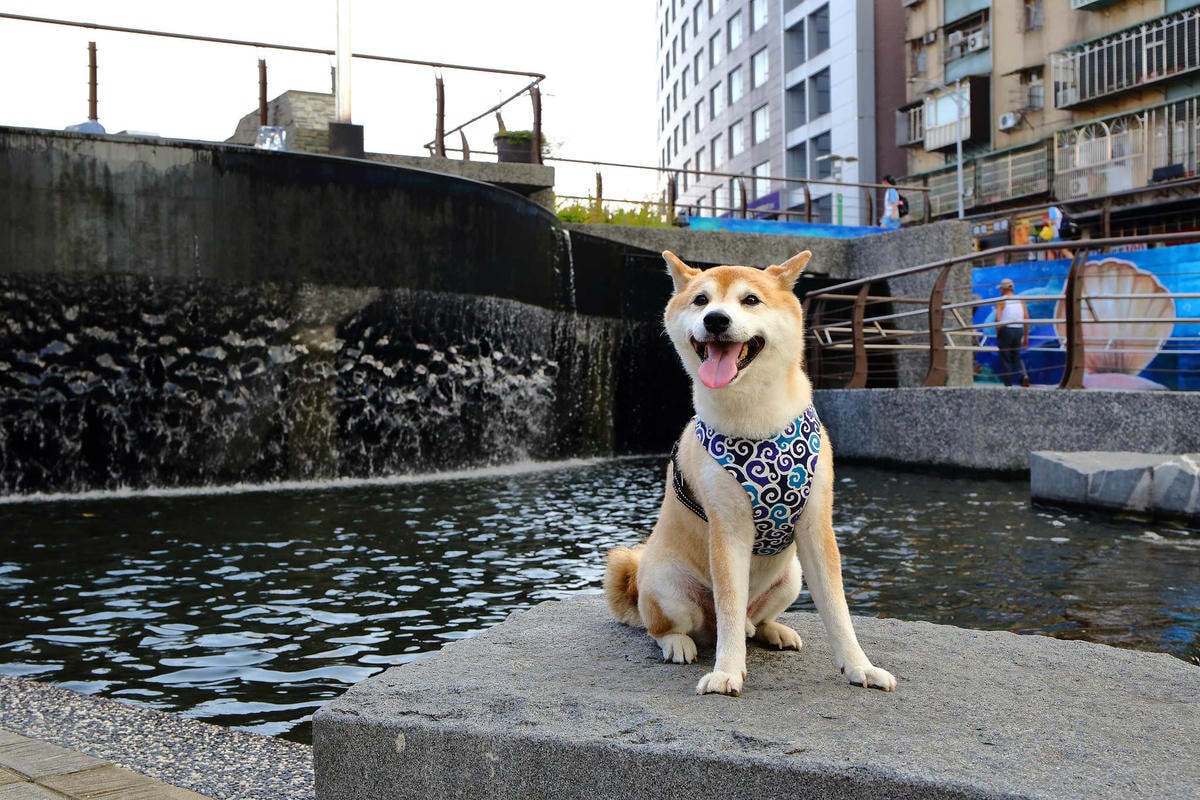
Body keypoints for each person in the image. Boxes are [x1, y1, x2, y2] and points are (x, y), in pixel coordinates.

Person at [994, 278, 1030, 387]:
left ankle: (1008, 385)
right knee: (1016, 356)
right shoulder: (1020, 300)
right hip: (1019, 329)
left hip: (1006, 329)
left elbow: (997, 319)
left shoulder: (1002, 300)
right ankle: (1023, 375)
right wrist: (1026, 336)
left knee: (1005, 358)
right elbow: (1026, 317)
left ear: (1002, 289)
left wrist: (998, 332)